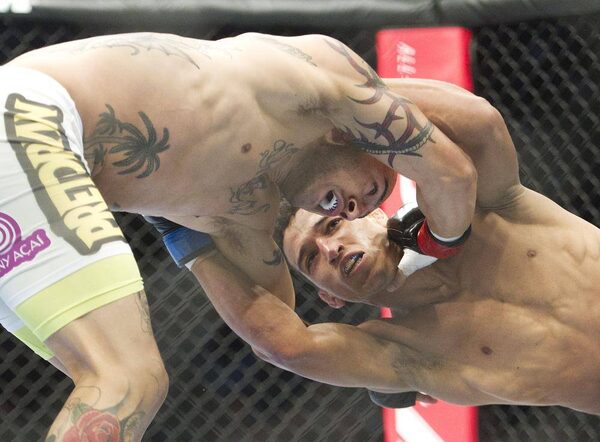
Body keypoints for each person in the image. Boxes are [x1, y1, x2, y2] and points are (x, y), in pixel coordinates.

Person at [0, 32, 476, 440]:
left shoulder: (236, 217)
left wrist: (388, 370)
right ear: (352, 134)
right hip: (29, 113)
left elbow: (281, 338)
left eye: (362, 211)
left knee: (101, 389)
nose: (355, 208)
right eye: (371, 189)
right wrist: (434, 245)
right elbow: (455, 167)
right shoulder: (307, 75)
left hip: (29, 155)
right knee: (125, 379)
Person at [188, 80, 600, 416]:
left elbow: (481, 122)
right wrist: (185, 239)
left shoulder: (483, 212)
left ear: (373, 215)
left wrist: (330, 99)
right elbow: (286, 348)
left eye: (332, 224)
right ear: (331, 297)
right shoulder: (405, 353)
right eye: (311, 259)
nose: (330, 249)